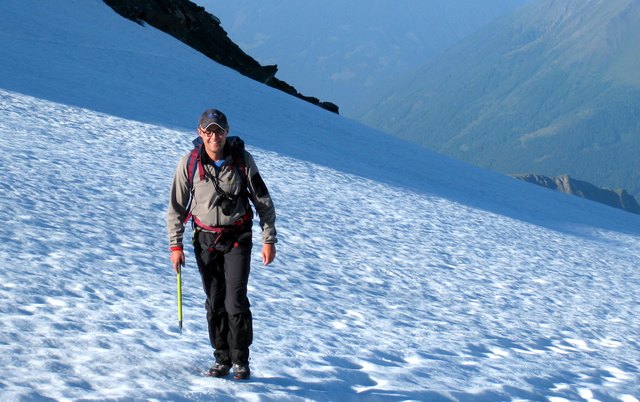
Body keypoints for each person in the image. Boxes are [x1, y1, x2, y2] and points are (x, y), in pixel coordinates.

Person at [167, 108, 277, 380]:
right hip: (204, 240)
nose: (214, 136)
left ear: (227, 132)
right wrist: (175, 246)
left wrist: (269, 239)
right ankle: (221, 358)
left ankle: (240, 359)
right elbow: (176, 208)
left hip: (237, 237)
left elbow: (263, 201)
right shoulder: (189, 163)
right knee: (215, 301)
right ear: (200, 132)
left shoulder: (242, 160)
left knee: (235, 300)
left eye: (219, 130)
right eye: (209, 131)